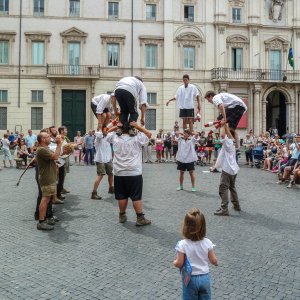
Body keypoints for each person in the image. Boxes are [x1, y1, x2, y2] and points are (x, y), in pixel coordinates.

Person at [106, 121, 152, 226]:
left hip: (119, 172)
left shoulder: (115, 137)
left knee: (122, 195)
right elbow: (149, 134)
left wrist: (115, 127)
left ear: (121, 129)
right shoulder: (138, 137)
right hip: (134, 172)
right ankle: (140, 218)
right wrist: (138, 127)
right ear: (132, 128)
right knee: (136, 196)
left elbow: (105, 132)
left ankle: (122, 215)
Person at [173, 208, 218, 300]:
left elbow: (179, 263)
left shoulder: (182, 244)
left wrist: (174, 262)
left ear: (185, 226)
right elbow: (213, 260)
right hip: (205, 277)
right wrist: (216, 262)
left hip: (190, 279)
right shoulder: (207, 242)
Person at [36, 132, 62, 230]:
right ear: (42, 139)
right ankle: (41, 222)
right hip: (46, 178)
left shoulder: (46, 148)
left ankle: (46, 218)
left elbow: (54, 157)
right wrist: (59, 144)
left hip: (50, 177)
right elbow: (55, 156)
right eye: (47, 136)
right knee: (45, 199)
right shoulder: (41, 150)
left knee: (47, 200)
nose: (50, 137)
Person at [214, 124, 241, 216]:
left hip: (227, 169)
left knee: (223, 188)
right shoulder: (234, 143)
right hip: (234, 169)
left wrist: (223, 125)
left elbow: (222, 135)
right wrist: (225, 125)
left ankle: (224, 208)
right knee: (232, 187)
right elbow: (230, 135)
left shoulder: (228, 142)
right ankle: (236, 205)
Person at [91, 130, 114, 200]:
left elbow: (113, 133)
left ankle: (111, 188)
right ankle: (94, 193)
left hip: (108, 159)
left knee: (111, 174)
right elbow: (99, 134)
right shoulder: (98, 139)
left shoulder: (108, 137)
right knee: (100, 175)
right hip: (100, 160)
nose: (107, 132)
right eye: (106, 130)